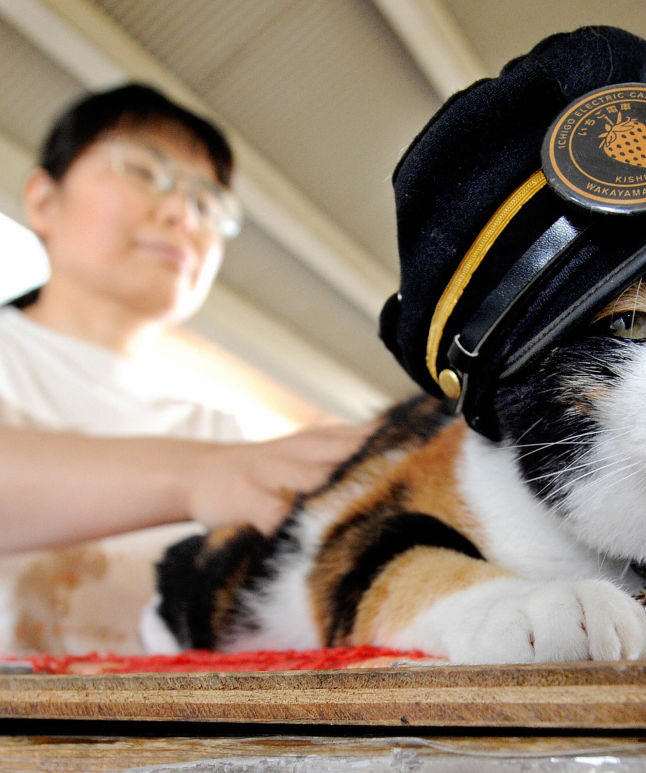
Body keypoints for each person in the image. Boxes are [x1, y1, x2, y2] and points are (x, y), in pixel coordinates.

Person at [0, 83, 371, 654]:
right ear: (44, 200)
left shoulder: (217, 434)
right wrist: (195, 476)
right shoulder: (220, 459)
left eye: (207, 204)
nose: (180, 214)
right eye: (145, 172)